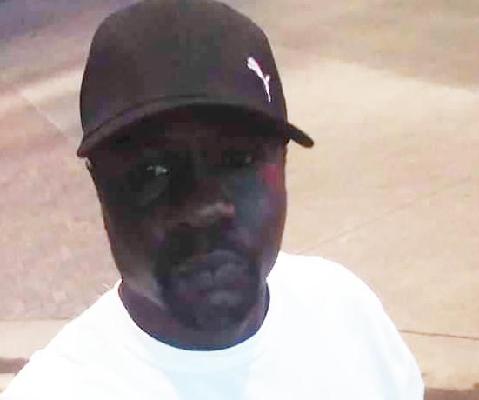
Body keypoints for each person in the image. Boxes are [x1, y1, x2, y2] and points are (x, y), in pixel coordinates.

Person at [2, 0, 424, 398]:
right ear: (100, 188)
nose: (204, 207)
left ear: (282, 163)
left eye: (238, 158)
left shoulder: (346, 316)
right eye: (153, 172)